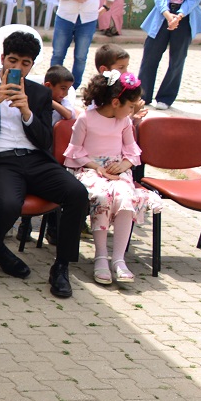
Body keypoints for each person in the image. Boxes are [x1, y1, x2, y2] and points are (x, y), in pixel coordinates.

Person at [0, 29, 89, 298]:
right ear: (3, 58)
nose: (17, 67)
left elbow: (45, 140)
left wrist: (27, 112)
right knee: (8, 203)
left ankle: (61, 265)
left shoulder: (39, 94)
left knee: (77, 193)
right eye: (13, 60)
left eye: (25, 63)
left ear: (31, 65)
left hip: (35, 159)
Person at [64, 68, 160, 286]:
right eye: (130, 106)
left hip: (117, 171)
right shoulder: (85, 120)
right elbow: (74, 151)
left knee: (125, 197)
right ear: (116, 102)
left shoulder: (124, 122)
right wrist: (96, 167)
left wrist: (124, 165)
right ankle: (100, 256)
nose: (132, 111)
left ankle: (118, 258)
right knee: (101, 196)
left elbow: (132, 151)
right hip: (89, 169)